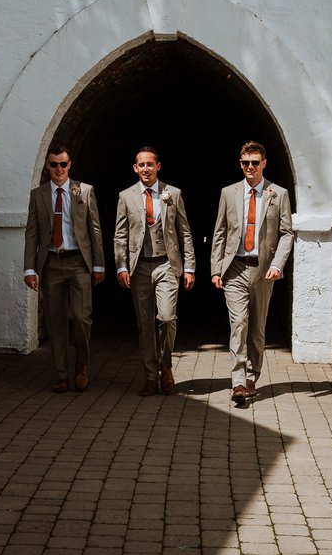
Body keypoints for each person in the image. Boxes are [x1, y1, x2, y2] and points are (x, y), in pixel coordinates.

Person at [210, 141, 293, 405]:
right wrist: (215, 268)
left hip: (262, 269)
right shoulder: (229, 192)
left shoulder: (277, 194)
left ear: (264, 164)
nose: (249, 167)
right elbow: (220, 232)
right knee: (239, 324)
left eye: (255, 163)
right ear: (240, 163)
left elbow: (287, 233)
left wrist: (277, 264)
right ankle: (237, 382)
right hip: (234, 268)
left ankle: (251, 377)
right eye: (245, 162)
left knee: (256, 329)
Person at [114, 147, 195, 396]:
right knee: (145, 324)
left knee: (167, 318)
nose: (146, 169)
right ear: (135, 168)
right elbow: (121, 234)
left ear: (158, 166)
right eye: (142, 165)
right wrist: (121, 265)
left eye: (150, 164)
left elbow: (184, 232)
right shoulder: (126, 196)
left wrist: (189, 266)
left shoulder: (173, 194)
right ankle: (151, 375)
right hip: (139, 267)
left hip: (166, 264)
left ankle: (166, 365)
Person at [24, 143, 105, 393]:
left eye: (63, 164)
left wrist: (99, 264)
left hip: (78, 262)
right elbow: (32, 233)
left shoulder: (84, 191)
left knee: (81, 317)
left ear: (70, 165)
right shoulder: (38, 195)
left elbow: (94, 230)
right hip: (51, 264)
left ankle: (81, 364)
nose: (58, 168)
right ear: (48, 166)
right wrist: (30, 269)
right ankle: (61, 374)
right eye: (54, 164)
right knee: (55, 321)